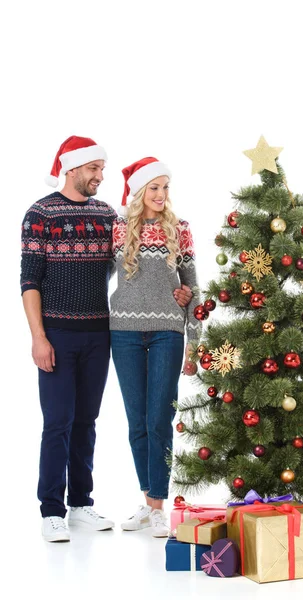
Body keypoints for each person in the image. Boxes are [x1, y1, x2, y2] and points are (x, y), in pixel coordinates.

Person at [20, 138, 192, 542]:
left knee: (87, 421)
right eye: (94, 168)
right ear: (72, 168)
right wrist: (38, 337)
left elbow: (130, 269)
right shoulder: (40, 213)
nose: (100, 175)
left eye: (102, 168)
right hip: (58, 332)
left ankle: (81, 503)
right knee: (57, 422)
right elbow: (29, 280)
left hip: (101, 332)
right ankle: (51, 510)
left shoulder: (107, 217)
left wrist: (176, 292)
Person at [110, 157, 201, 537]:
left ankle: (159, 506)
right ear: (139, 192)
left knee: (158, 420)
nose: (162, 195)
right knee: (136, 422)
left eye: (165, 187)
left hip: (167, 331)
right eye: (154, 188)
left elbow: (193, 287)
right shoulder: (118, 230)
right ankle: (148, 502)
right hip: (123, 332)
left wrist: (194, 342)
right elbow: (98, 278)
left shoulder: (180, 230)